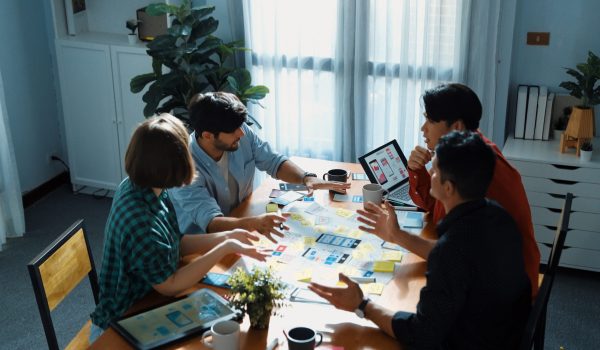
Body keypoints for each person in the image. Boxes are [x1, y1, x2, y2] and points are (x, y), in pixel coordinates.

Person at [310, 131, 531, 349]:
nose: (429, 173)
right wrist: (396, 234)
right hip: (506, 335)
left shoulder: (451, 250)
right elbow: (460, 260)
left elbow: (421, 334)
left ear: (448, 187)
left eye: (433, 170)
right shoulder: (499, 216)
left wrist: (362, 305)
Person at [89, 114, 269, 343]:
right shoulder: (141, 220)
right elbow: (170, 285)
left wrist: (226, 235)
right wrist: (224, 247)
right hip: (121, 324)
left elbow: (176, 243)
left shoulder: (147, 187)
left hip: (147, 302)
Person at [404, 83, 539, 297]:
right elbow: (433, 205)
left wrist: (396, 235)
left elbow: (450, 253)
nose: (423, 129)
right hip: (492, 271)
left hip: (505, 292)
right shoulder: (466, 152)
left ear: (456, 127)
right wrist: (416, 171)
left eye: (430, 120)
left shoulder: (479, 169)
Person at [170, 92, 350, 239]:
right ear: (208, 135)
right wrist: (253, 223)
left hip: (243, 221)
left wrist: (306, 178)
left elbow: (272, 161)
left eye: (240, 126)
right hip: (203, 243)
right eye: (233, 131)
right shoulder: (183, 168)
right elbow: (211, 222)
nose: (241, 133)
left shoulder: (240, 132)